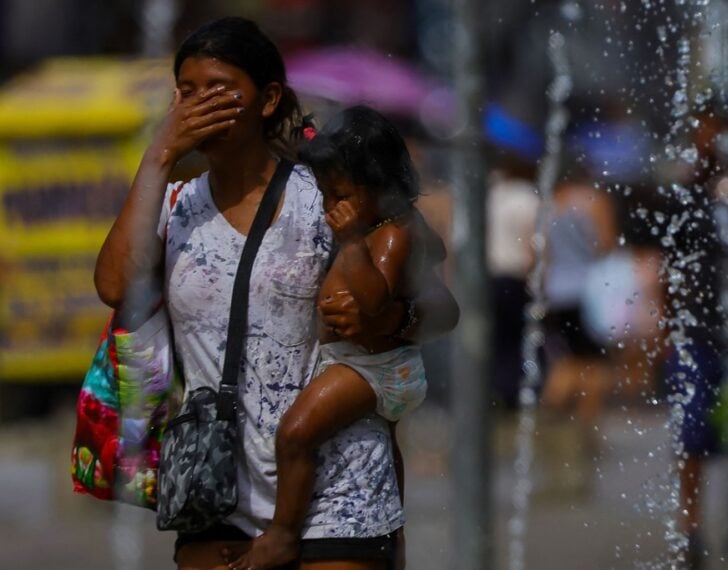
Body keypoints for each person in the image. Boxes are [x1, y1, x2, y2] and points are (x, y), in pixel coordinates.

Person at [93, 17, 457, 570]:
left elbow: (439, 309)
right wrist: (157, 156)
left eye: (220, 90)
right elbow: (115, 286)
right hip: (215, 487)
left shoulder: (330, 200)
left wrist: (391, 320)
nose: (201, 105)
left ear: (268, 100)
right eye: (187, 92)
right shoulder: (172, 207)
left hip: (339, 491)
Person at [229, 106, 445, 569]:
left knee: (295, 433)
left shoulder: (386, 237)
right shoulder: (381, 225)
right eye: (325, 194)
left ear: (380, 186)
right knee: (384, 452)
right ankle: (396, 538)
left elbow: (373, 302)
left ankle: (283, 535)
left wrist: (350, 244)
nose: (330, 208)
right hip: (360, 365)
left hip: (373, 369)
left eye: (340, 195)